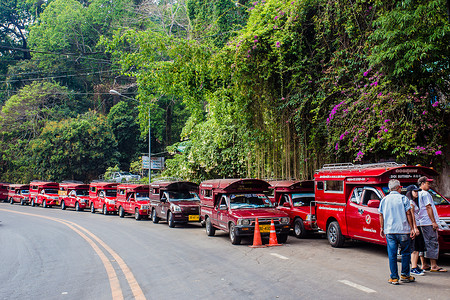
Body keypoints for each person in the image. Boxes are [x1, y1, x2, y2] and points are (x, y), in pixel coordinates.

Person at [379, 179, 416, 285]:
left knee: (392, 254)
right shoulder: (403, 198)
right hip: (403, 230)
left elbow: (381, 215)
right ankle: (405, 275)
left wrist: (382, 228)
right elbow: (408, 213)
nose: (401, 189)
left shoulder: (384, 200)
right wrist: (412, 227)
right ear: (397, 188)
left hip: (390, 231)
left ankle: (394, 277)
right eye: (400, 187)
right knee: (405, 253)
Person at [417, 176, 448, 273]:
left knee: (423, 243)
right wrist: (433, 221)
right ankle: (433, 265)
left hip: (421, 222)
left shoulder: (417, 193)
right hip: (427, 222)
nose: (429, 185)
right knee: (432, 242)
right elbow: (428, 207)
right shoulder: (425, 194)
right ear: (422, 184)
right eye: (427, 183)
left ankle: (424, 264)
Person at [405, 185, 426, 276]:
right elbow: (412, 215)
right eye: (415, 191)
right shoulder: (410, 202)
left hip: (417, 225)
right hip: (415, 226)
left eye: (417, 191)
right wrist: (414, 227)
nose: (417, 193)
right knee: (415, 248)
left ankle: (415, 265)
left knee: (417, 247)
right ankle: (413, 267)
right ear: (410, 192)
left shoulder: (413, 201)